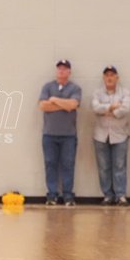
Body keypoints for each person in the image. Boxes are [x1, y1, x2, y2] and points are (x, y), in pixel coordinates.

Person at [38, 59, 82, 206]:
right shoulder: (47, 87)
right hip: (49, 134)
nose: (61, 71)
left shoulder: (75, 88)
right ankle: (52, 195)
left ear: (69, 72)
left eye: (64, 69)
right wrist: (64, 104)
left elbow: (73, 105)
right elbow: (43, 106)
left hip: (68, 135)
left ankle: (68, 195)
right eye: (59, 68)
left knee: (68, 165)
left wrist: (54, 100)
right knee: (50, 164)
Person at [90, 65, 130, 206]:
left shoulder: (125, 92)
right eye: (107, 75)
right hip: (100, 135)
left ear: (117, 77)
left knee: (119, 166)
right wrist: (112, 107)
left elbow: (125, 109)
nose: (109, 77)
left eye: (112, 75)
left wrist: (106, 110)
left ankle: (120, 196)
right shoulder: (97, 93)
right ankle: (108, 195)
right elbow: (96, 108)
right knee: (104, 167)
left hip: (120, 135)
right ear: (103, 78)